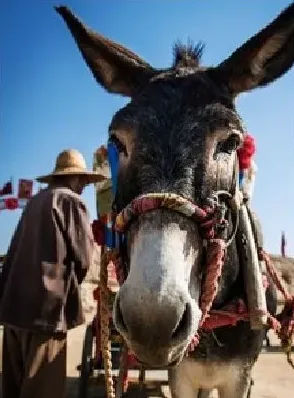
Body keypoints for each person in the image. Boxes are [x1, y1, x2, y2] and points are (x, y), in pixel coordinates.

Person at [0, 149, 105, 398]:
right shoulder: (70, 201)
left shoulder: (36, 201)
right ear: (77, 179)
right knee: (42, 389)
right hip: (45, 313)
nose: (83, 188)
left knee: (12, 388)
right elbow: (83, 257)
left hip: (14, 310)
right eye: (84, 183)